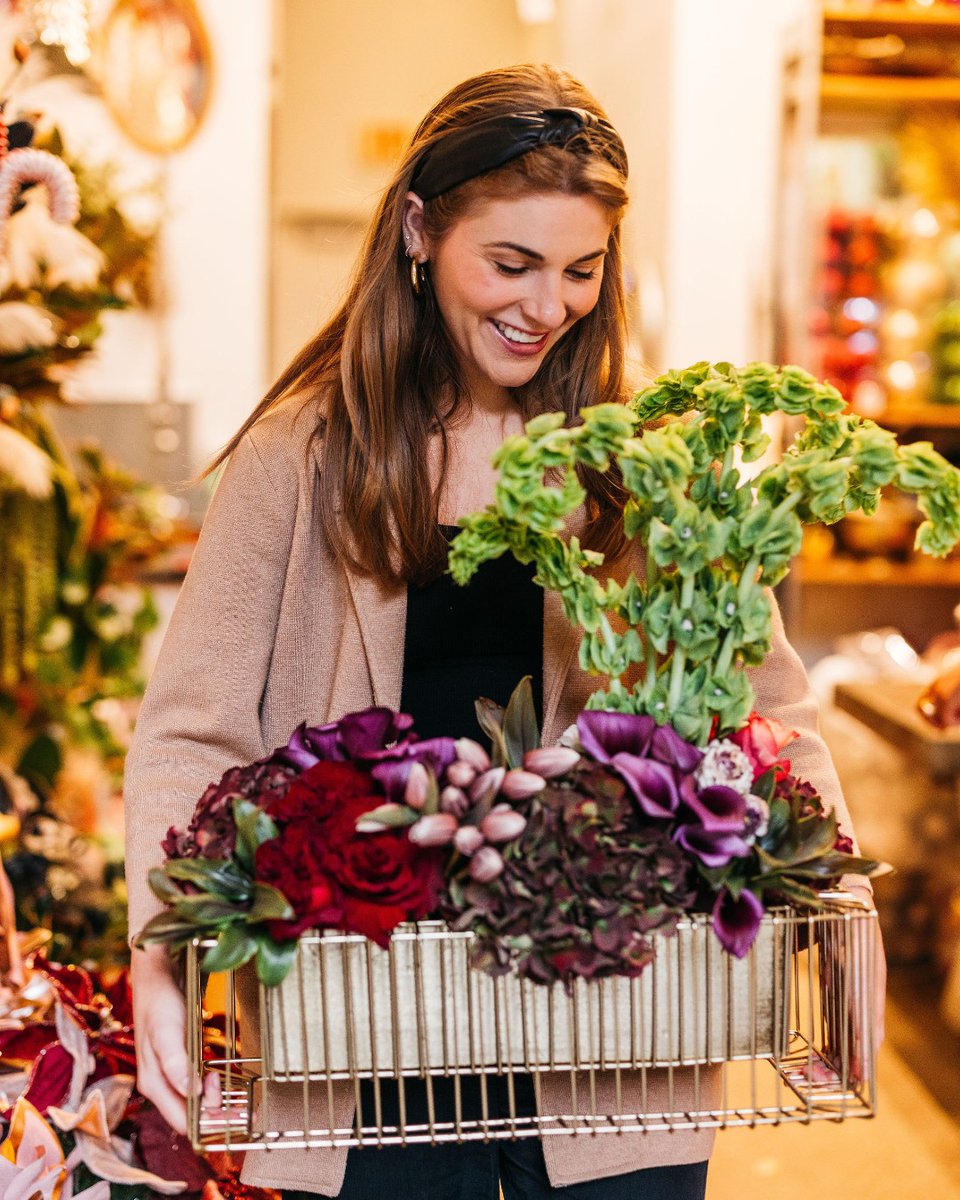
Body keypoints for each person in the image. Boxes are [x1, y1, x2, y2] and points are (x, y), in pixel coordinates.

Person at [124, 63, 874, 1200]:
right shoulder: (303, 455)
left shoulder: (645, 457)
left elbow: (771, 715)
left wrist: (843, 927)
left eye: (582, 270)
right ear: (419, 231)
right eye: (511, 264)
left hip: (623, 1049)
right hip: (367, 1043)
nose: (547, 304)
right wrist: (158, 953)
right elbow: (193, 733)